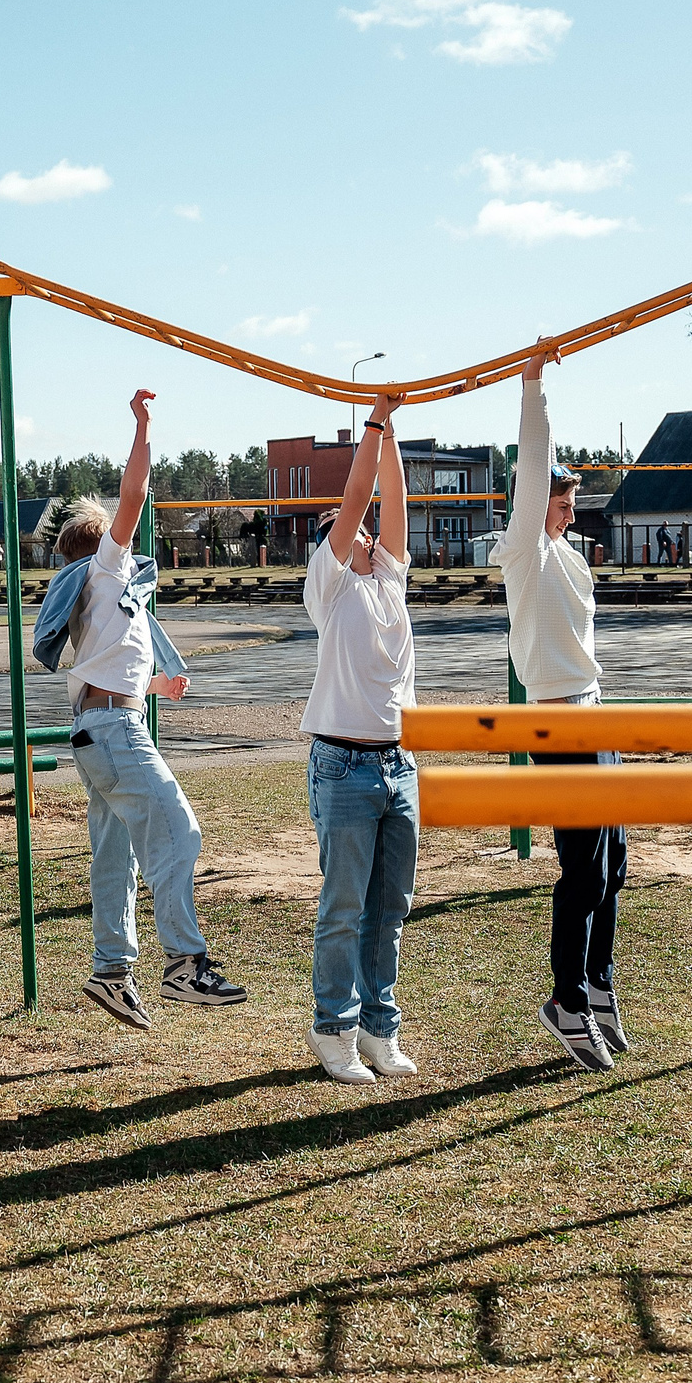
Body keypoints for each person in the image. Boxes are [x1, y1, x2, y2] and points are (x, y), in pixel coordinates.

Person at [31, 389, 246, 1028]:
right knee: (181, 832)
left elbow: (103, 672)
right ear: (105, 548)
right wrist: (143, 430)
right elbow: (131, 496)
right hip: (113, 734)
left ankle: (110, 972)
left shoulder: (102, 603)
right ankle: (184, 963)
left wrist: (153, 686)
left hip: (99, 729)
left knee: (114, 857)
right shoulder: (105, 570)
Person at [501, 350, 629, 1072]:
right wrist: (534, 389)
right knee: (581, 866)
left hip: (595, 712)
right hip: (558, 721)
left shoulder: (570, 553)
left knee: (613, 862)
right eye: (557, 490)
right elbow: (531, 464)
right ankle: (566, 998)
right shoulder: (525, 551)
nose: (567, 497)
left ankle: (599, 983)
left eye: (570, 490)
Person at [299, 392, 419, 1084]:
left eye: (370, 532)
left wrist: (393, 430)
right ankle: (333, 1027)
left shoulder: (391, 580)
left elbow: (391, 496)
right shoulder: (332, 586)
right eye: (349, 533)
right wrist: (372, 422)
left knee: (389, 908)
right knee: (345, 905)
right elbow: (357, 498)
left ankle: (379, 1027)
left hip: (400, 764)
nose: (364, 534)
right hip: (342, 766)